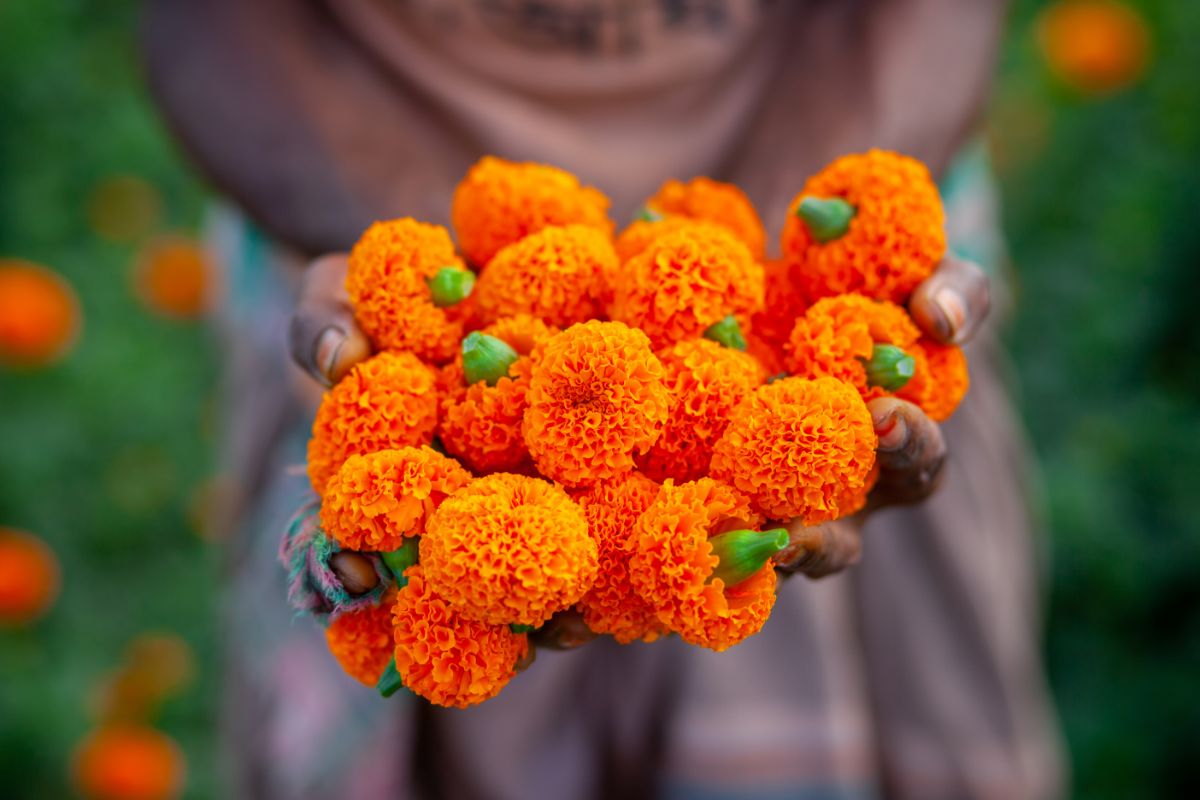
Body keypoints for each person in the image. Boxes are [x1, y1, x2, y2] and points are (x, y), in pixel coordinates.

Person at [143, 1, 1065, 797]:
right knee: (385, 577)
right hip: (362, 260)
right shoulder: (430, 371)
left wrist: (779, 277)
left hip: (835, 244)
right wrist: (437, 281)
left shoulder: (828, 332)